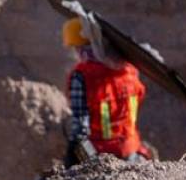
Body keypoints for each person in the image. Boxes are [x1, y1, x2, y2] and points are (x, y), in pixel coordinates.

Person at [63, 15, 151, 165]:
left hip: (101, 155)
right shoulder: (130, 69)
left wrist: (73, 154)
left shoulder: (82, 76)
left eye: (76, 48)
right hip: (132, 150)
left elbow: (80, 128)